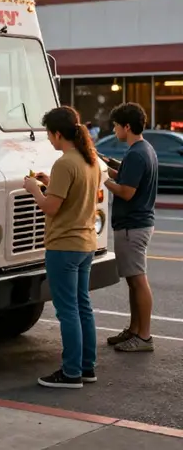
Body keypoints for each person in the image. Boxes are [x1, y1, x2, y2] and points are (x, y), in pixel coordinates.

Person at [23, 106, 99, 389]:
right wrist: (49, 183)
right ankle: (87, 367)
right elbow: (73, 196)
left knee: (67, 310)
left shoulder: (65, 162)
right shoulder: (87, 160)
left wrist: (34, 189)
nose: (49, 140)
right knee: (82, 307)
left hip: (63, 246)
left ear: (57, 133)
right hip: (85, 244)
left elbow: (51, 208)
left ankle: (70, 373)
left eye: (49, 135)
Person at [101, 102, 158, 352]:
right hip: (136, 224)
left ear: (127, 126)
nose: (114, 130)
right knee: (133, 282)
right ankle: (134, 330)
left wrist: (102, 179)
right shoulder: (144, 149)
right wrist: (105, 165)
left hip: (132, 226)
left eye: (116, 126)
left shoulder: (136, 153)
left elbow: (126, 191)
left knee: (138, 281)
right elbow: (124, 176)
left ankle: (143, 336)